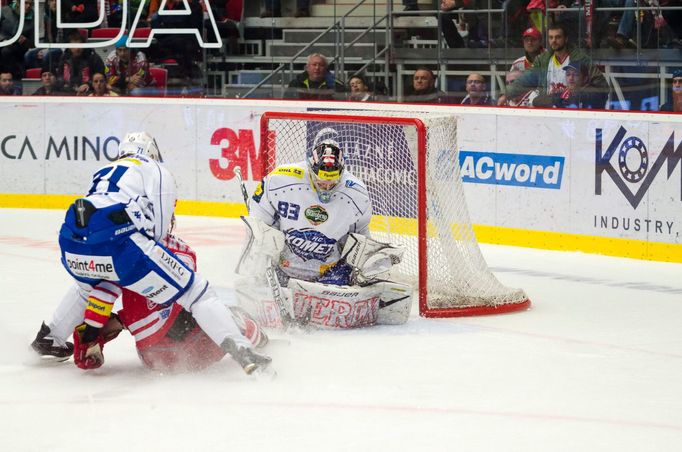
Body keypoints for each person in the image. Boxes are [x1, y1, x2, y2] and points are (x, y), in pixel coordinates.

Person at [30, 132, 271, 375]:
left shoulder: (103, 171)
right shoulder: (155, 169)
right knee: (197, 293)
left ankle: (48, 339)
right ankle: (245, 353)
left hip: (72, 241)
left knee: (85, 289)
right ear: (151, 151)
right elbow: (158, 232)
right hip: (120, 242)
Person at [236, 140, 412, 330]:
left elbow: (359, 238)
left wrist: (365, 263)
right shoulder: (279, 181)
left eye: (332, 181)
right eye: (321, 181)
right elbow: (257, 223)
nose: (327, 186)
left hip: (329, 274)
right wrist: (261, 252)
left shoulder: (356, 194)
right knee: (255, 273)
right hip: (282, 267)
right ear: (310, 168)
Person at [501, 22, 608, 106]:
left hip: (570, 110)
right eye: (551, 37)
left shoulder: (580, 59)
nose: (554, 41)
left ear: (565, 39)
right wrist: (506, 94)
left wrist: (577, 95)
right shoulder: (543, 60)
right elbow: (524, 80)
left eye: (558, 37)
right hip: (549, 109)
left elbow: (602, 86)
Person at [533, 61, 608, 108]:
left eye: (576, 75)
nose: (571, 78)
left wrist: (558, 99)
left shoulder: (592, 92)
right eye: (568, 74)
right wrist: (557, 97)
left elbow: (574, 101)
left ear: (585, 79)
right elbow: (536, 101)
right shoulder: (566, 93)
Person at [55, 31, 106, 96]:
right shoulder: (64, 57)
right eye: (74, 46)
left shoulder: (93, 57)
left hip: (89, 91)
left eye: (80, 45)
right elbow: (59, 76)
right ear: (69, 47)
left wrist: (88, 84)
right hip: (68, 91)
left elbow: (101, 77)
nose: (77, 49)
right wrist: (63, 84)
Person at [0, 0, 35, 79]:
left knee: (9, 53)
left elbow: (33, 41)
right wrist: (3, 40)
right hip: (3, 44)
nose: (28, 6)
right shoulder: (4, 11)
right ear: (18, 3)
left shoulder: (33, 17)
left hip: (19, 48)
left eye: (31, 4)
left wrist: (25, 40)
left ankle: (11, 81)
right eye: (26, 3)